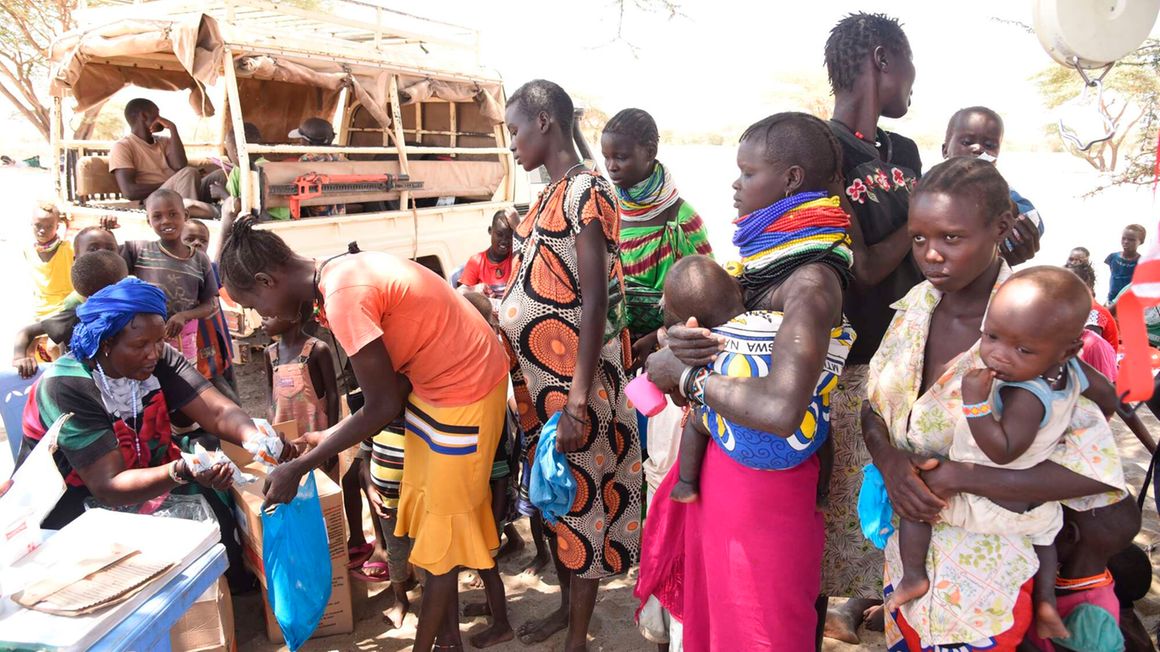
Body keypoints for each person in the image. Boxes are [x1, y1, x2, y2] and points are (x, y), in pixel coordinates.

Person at [862, 157, 1126, 650]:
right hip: (910, 565)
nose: (931, 255)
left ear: (1001, 228)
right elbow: (873, 407)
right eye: (919, 239)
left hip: (988, 582)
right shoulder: (915, 308)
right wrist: (891, 463)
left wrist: (965, 476)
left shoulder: (1033, 333)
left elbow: (1095, 472)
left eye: (952, 238)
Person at [218, 219, 509, 652]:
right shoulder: (337, 271)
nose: (263, 316)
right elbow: (387, 391)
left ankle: (427, 645)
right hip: (432, 387)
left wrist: (301, 466)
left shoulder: (342, 297)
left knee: (444, 532)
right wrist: (326, 438)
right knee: (429, 511)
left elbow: (383, 403)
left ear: (266, 280)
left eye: (256, 304)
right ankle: (448, 640)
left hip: (465, 388)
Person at [641, 112, 854, 650]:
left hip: (765, 497)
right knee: (722, 622)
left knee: (760, 630)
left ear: (790, 180)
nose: (736, 184)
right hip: (727, 481)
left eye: (748, 172)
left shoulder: (810, 283)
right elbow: (733, 343)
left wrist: (688, 377)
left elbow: (783, 408)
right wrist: (682, 341)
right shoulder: (764, 270)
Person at [14, 276, 292, 587]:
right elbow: (109, 484)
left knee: (216, 514)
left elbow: (216, 410)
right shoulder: (67, 385)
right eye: (140, 345)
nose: (154, 352)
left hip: (143, 466)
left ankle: (231, 589)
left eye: (159, 341)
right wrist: (182, 470)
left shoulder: (157, 358)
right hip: (76, 497)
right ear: (105, 344)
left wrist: (254, 437)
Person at [497, 79, 642, 651]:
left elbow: (595, 300)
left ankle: (577, 639)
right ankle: (565, 610)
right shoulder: (548, 193)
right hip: (544, 391)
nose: (511, 145)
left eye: (514, 131)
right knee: (557, 503)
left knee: (580, 503)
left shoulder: (586, 191)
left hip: (573, 392)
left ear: (545, 122)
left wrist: (578, 401)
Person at [884, 266, 1102, 642]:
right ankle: (1047, 603)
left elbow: (1002, 450)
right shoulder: (1061, 370)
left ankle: (914, 576)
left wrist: (974, 406)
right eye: (991, 337)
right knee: (1046, 539)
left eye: (1020, 349)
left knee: (917, 509)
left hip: (985, 524)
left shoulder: (1027, 392)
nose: (999, 355)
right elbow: (1110, 397)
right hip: (1029, 516)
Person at [600, 108, 713, 368]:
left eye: (620, 157)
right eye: (606, 157)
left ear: (650, 152)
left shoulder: (682, 220)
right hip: (614, 353)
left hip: (669, 356)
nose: (611, 166)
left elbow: (708, 298)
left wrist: (656, 336)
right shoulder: (607, 211)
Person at [122, 189, 238, 403]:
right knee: (151, 389)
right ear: (148, 220)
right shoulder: (138, 251)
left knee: (183, 387)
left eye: (173, 214)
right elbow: (108, 264)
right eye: (157, 216)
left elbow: (210, 304)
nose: (166, 220)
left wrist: (184, 315)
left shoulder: (199, 260)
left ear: (185, 216)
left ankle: (185, 430)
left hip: (185, 339)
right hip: (146, 340)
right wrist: (107, 231)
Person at [460, 290, 516, 649]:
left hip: (486, 500)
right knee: (481, 561)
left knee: (487, 562)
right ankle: (493, 608)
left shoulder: (486, 375)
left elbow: (499, 476)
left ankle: (502, 624)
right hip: (477, 493)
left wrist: (495, 523)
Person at [1026, 497, 1141, 652]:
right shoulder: (1072, 580)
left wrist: (1016, 635)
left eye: (1051, 521)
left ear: (1069, 534)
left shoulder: (1091, 616)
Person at [941, 106, 1045, 253]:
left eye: (989, 145)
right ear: (945, 150)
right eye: (966, 142)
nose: (978, 149)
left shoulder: (1000, 189)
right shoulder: (926, 184)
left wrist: (1001, 200)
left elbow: (1036, 225)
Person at [13, 249, 126, 378]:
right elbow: (26, 332)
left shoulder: (131, 316)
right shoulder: (78, 315)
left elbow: (26, 332)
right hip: (82, 383)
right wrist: (19, 359)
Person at [108, 98, 214, 219]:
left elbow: (179, 165)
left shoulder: (164, 141)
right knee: (189, 172)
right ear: (143, 115)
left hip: (178, 193)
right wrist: (174, 181)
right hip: (153, 200)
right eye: (157, 114)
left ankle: (228, 215)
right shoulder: (123, 146)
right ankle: (188, 224)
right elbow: (129, 192)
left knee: (219, 175)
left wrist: (173, 129)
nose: (160, 118)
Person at [262, 315, 338, 437]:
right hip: (284, 435)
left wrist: (331, 439)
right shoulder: (270, 353)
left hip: (317, 433)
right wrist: (270, 412)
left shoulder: (317, 349)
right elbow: (270, 386)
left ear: (293, 317)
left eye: (271, 314)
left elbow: (332, 394)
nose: (263, 318)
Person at [207, 123, 291, 221]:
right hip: (282, 221)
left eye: (228, 150)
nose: (228, 154)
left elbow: (234, 208)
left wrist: (222, 193)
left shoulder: (246, 171)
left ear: (236, 152)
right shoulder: (274, 167)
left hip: (259, 222)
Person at [25, 203, 74, 320]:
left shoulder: (68, 248)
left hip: (66, 309)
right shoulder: (28, 250)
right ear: (31, 224)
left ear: (57, 227)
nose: (42, 230)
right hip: (39, 311)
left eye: (49, 227)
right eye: (38, 225)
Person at [291, 117, 346, 217]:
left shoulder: (306, 159)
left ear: (307, 142)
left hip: (316, 213)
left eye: (301, 139)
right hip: (338, 210)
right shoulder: (337, 156)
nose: (299, 141)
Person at [458, 211, 514, 299]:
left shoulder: (517, 259)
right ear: (490, 231)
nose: (504, 241)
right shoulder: (476, 261)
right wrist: (474, 290)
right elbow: (460, 294)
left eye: (510, 236)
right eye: (499, 234)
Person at [1105, 224, 1145, 303]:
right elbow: (1114, 276)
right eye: (1124, 238)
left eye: (1131, 240)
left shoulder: (1142, 262)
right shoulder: (1112, 257)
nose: (1126, 242)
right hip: (1111, 300)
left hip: (1128, 303)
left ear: (1141, 241)